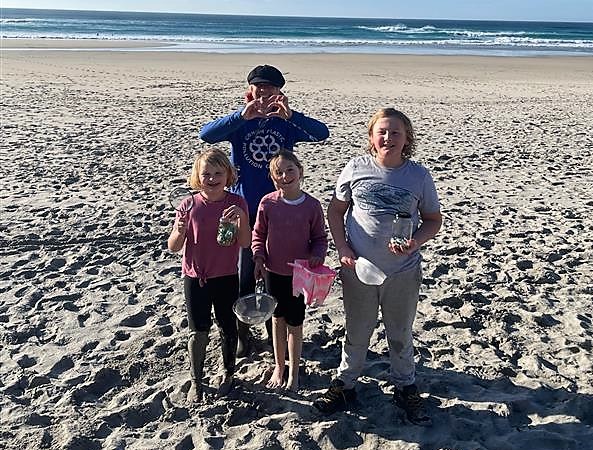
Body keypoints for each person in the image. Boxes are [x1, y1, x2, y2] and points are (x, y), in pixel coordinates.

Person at [312, 108, 442, 426]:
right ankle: (346, 385)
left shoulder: (418, 176)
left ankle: (405, 386)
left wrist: (415, 241)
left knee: (399, 333)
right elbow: (336, 211)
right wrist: (342, 247)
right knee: (357, 331)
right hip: (359, 269)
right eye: (381, 132)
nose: (388, 137)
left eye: (395, 132)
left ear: (406, 138)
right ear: (371, 137)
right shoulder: (356, 168)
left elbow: (433, 221)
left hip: (403, 270)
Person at [199, 64, 330, 357]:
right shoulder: (240, 122)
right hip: (241, 210)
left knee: (273, 278)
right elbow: (206, 136)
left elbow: (322, 134)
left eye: (271, 89)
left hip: (277, 212)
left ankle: (276, 338)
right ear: (250, 91)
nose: (265, 95)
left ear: (280, 93)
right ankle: (243, 335)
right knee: (242, 277)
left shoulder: (286, 124)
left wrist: (292, 116)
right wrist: (241, 115)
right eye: (260, 89)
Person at [167, 149, 251, 402]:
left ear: (228, 175)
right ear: (197, 177)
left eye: (218, 173)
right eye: (206, 174)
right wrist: (179, 231)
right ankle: (196, 380)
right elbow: (173, 246)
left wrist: (242, 222)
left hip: (225, 276)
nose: (212, 179)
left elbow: (245, 242)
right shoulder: (188, 204)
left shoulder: (237, 203)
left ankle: (228, 373)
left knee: (227, 326)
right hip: (195, 276)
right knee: (197, 330)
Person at [251, 150, 328, 391]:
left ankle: (293, 372)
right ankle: (279, 366)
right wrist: (258, 257)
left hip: (300, 274)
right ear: (273, 178)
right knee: (277, 320)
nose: (285, 176)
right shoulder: (268, 202)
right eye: (279, 173)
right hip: (273, 272)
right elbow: (258, 234)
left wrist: (317, 255)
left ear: (300, 171)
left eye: (290, 170)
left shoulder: (312, 205)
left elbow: (320, 238)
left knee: (295, 322)